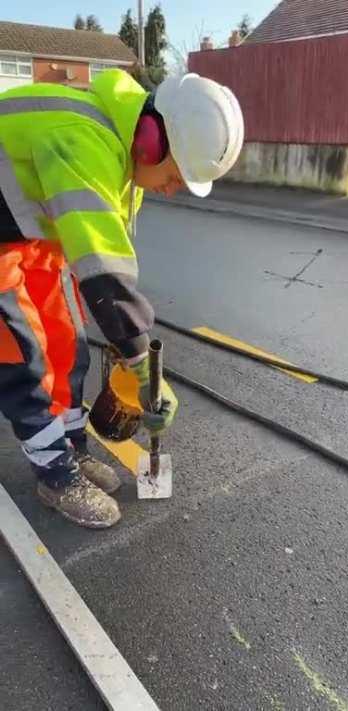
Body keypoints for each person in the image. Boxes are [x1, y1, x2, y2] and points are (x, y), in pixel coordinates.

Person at [0, 69, 244, 529]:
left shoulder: (121, 154)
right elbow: (104, 273)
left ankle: (72, 447)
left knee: (67, 342)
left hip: (26, 238)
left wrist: (128, 344)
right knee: (23, 357)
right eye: (174, 176)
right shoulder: (82, 141)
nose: (172, 189)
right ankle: (55, 475)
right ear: (150, 140)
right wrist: (142, 365)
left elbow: (111, 257)